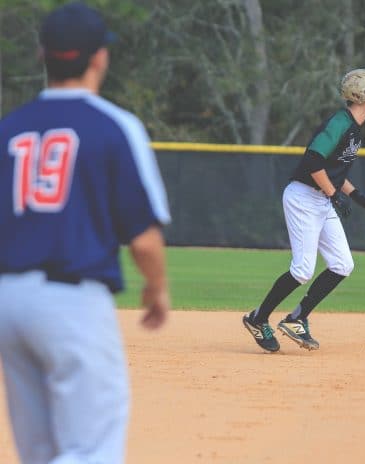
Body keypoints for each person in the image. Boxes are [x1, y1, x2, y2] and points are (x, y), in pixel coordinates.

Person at [0, 3, 171, 462]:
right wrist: (156, 289)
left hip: (8, 302)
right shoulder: (114, 126)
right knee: (91, 449)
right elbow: (143, 237)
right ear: (100, 57)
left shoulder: (8, 130)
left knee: (39, 452)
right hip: (71, 304)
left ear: (43, 54)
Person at [242, 69, 365, 352]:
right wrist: (334, 195)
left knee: (343, 264)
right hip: (304, 198)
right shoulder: (340, 122)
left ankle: (297, 318)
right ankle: (258, 319)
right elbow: (313, 161)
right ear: (358, 95)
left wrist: (355, 195)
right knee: (303, 269)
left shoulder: (355, 129)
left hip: (321, 198)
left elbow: (333, 170)